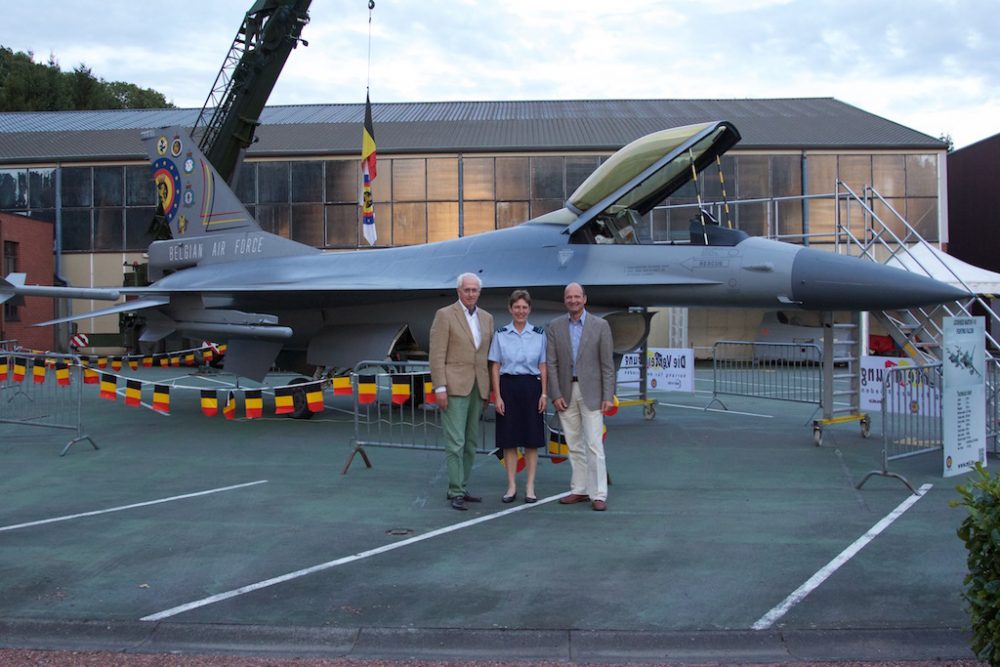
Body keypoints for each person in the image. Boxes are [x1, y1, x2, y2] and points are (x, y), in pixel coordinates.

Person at [546, 282, 615, 511]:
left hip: (593, 393)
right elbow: (552, 364)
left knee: (594, 444)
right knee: (574, 444)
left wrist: (608, 394)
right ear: (565, 300)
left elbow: (607, 365)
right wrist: (555, 393)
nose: (573, 300)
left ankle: (599, 494)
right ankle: (580, 489)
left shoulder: (601, 326)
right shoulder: (555, 327)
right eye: (569, 297)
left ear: (584, 299)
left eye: (577, 296)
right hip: (566, 393)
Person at [429, 273, 494, 511]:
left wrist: (487, 390)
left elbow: (486, 357)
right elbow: (436, 355)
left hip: (478, 387)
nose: (470, 294)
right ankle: (455, 489)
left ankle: (462, 486)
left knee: (470, 442)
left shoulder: (487, 318)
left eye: (474, 290)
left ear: (479, 292)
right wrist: (440, 388)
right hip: (454, 387)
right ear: (458, 291)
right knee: (455, 442)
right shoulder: (444, 315)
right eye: (466, 290)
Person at [488, 289, 547, 504]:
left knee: (531, 441)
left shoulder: (540, 334)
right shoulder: (501, 334)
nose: (520, 311)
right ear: (510, 309)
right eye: (517, 307)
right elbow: (495, 366)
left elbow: (543, 366)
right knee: (509, 441)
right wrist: (498, 396)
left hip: (532, 387)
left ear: (529, 309)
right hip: (508, 387)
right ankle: (511, 485)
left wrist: (544, 393)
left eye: (524, 307)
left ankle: (530, 487)